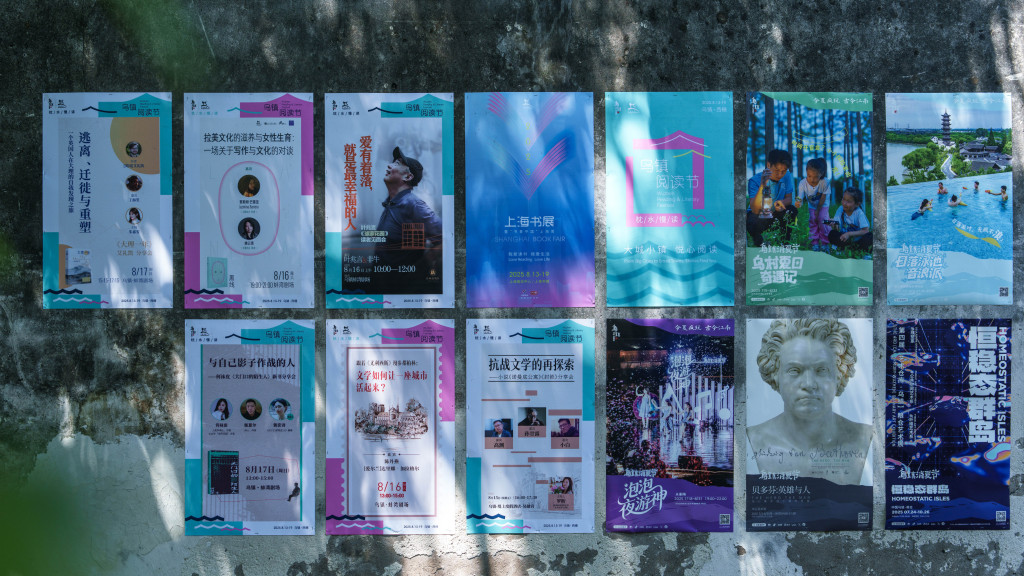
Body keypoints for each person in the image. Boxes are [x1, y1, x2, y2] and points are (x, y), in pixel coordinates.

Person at [746, 319, 873, 485]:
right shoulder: (754, 439)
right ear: (775, 373)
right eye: (794, 370)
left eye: (821, 370)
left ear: (839, 374)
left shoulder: (864, 437)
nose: (809, 384)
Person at [375, 147, 442, 269]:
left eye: (397, 163)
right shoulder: (390, 204)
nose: (389, 165)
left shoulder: (413, 205)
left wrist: (420, 269)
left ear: (408, 177)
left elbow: (443, 238)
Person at [746, 149, 798, 247]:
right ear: (769, 165)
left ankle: (785, 242)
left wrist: (781, 203)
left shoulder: (787, 176)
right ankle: (759, 243)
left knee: (791, 210)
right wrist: (762, 185)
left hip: (776, 213)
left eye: (783, 171)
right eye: (777, 170)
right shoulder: (754, 181)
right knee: (751, 221)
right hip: (759, 215)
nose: (780, 174)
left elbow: (789, 199)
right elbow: (755, 209)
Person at [796, 158, 830, 251]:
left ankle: (825, 243)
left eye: (815, 177)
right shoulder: (803, 183)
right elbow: (800, 195)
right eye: (809, 176)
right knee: (813, 220)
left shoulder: (825, 182)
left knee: (822, 220)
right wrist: (798, 201)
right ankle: (814, 242)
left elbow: (823, 198)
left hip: (823, 205)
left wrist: (818, 210)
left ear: (821, 174)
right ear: (806, 172)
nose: (812, 179)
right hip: (812, 205)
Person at [826, 187, 872, 252]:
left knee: (870, 237)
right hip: (845, 239)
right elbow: (837, 227)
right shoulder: (840, 209)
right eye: (843, 199)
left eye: (849, 201)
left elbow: (865, 231)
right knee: (832, 234)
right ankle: (842, 248)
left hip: (858, 240)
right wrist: (833, 224)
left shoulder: (859, 213)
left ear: (857, 204)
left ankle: (861, 251)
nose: (844, 203)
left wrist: (849, 234)